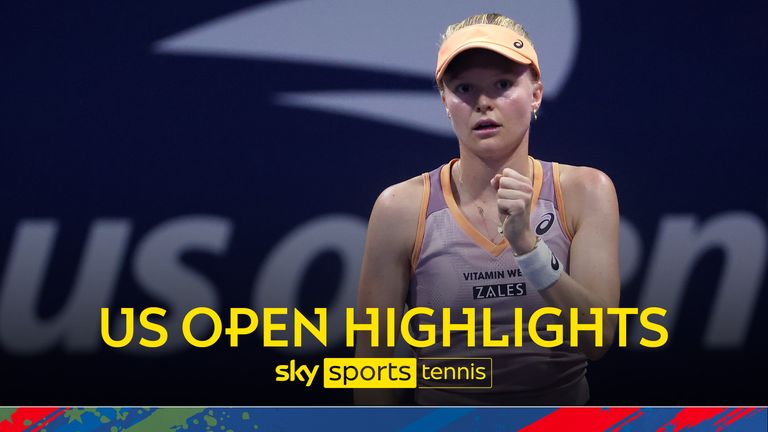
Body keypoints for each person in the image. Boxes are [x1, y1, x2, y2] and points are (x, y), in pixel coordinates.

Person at [354, 13, 620, 405]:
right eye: (464, 88)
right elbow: (370, 370)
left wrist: (528, 248)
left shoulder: (586, 191)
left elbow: (597, 341)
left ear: (536, 94)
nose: (483, 103)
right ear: (445, 101)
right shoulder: (400, 207)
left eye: (503, 85)